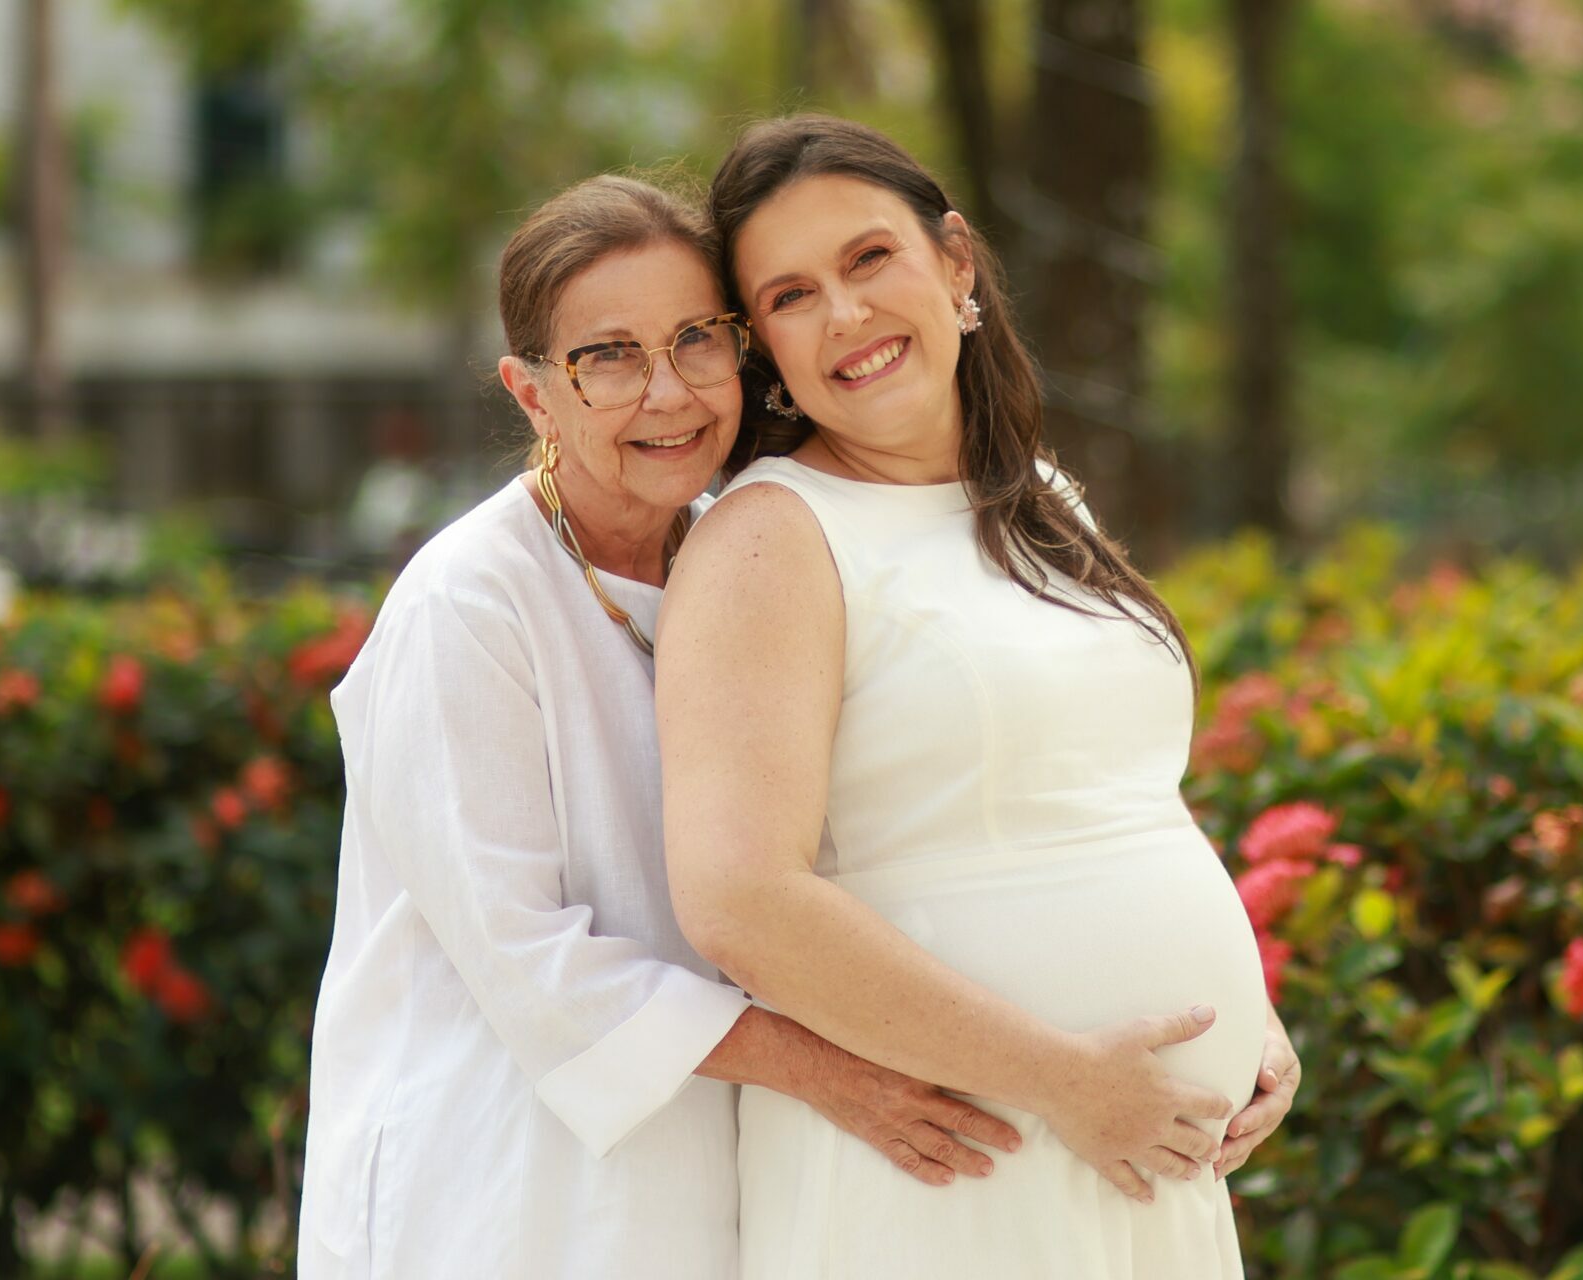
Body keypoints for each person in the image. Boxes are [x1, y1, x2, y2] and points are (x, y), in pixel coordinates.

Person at [293, 174, 1031, 1280]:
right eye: (609, 358)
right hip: (496, 1186)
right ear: (533, 393)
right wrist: (839, 1072)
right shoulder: (470, 602)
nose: (669, 393)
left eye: (696, 339)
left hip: (713, 1174)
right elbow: (532, 958)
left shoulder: (747, 551)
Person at [657, 116, 1301, 1278]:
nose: (845, 313)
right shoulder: (771, 538)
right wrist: (1062, 1078)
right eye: (793, 296)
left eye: (869, 258)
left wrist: (1248, 1020)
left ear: (955, 263)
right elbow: (740, 897)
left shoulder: (1041, 498)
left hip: (1143, 1150)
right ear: (766, 350)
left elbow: (1112, 795)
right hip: (958, 1168)